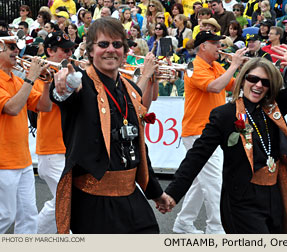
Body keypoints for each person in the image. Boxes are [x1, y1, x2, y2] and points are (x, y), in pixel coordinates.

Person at [163, 44, 287, 234]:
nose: (259, 85)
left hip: (274, 196)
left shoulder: (274, 108)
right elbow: (197, 156)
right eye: (253, 79)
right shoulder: (225, 115)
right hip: (242, 201)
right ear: (243, 81)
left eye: (265, 82)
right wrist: (172, 193)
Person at [50, 17, 170, 234]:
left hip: (131, 197)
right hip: (94, 204)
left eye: (117, 45)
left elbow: (139, 147)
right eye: (103, 44)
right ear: (90, 50)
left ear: (125, 51)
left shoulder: (131, 89)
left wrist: (155, 192)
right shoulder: (82, 83)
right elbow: (64, 91)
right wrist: (63, 85)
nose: (110, 50)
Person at [171, 31, 247, 234]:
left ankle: (183, 222)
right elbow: (214, 87)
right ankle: (216, 228)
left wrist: (249, 69)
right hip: (198, 130)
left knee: (200, 180)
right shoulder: (194, 67)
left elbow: (233, 85)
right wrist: (235, 65)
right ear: (203, 46)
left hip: (209, 131)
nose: (219, 47)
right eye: (215, 43)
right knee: (214, 181)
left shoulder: (215, 65)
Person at [0, 31, 52, 234]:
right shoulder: (20, 81)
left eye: (16, 47)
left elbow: (44, 106)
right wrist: (31, 78)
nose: (17, 51)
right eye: (11, 47)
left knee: (29, 215)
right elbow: (11, 108)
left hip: (23, 161)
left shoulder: (17, 80)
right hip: (3, 161)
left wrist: (47, 83)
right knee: (5, 215)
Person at [31, 31, 75, 234]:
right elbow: (43, 105)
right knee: (67, 199)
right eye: (64, 50)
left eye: (71, 49)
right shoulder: (40, 76)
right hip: (51, 148)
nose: (69, 53)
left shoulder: (72, 71)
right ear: (49, 51)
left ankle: (36, 235)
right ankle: (34, 235)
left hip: (69, 147)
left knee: (64, 200)